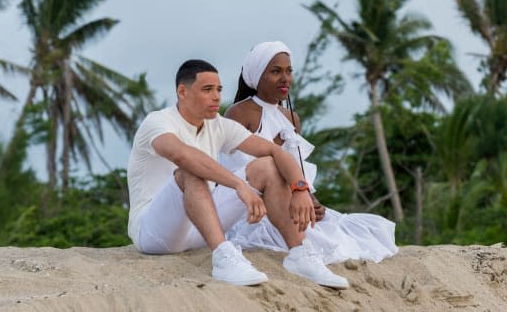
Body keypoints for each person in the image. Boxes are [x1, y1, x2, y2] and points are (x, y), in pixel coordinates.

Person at [126, 59, 349, 288]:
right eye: (207, 89)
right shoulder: (158, 121)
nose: (216, 97)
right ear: (182, 92)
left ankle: (300, 255)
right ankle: (223, 257)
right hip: (154, 233)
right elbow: (183, 156)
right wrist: (238, 184)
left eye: (219, 90)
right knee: (190, 171)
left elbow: (273, 150)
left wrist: (300, 188)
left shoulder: (218, 125)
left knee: (267, 165)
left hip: (202, 227)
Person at [220, 42, 399, 265]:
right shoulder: (239, 112)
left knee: (340, 235)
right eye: (276, 71)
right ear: (257, 76)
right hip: (250, 205)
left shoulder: (291, 118)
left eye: (288, 71)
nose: (285, 78)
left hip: (289, 201)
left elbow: (296, 168)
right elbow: (231, 169)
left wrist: (312, 200)